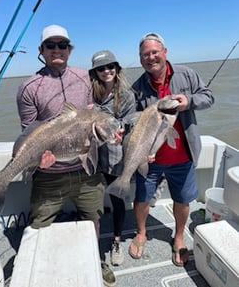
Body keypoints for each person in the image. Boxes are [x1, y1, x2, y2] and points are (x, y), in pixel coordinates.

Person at [16, 24, 118, 287]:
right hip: (49, 175)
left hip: (86, 170)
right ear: (41, 50)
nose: (57, 50)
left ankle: (94, 259)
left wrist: (113, 131)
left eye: (62, 45)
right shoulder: (29, 88)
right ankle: (42, 269)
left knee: (93, 219)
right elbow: (28, 133)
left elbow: (98, 106)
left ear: (70, 49)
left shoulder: (85, 77)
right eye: (51, 45)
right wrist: (38, 160)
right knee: (39, 224)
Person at [129, 32, 214, 266]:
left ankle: (178, 237)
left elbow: (208, 97)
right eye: (145, 54)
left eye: (155, 52)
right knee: (142, 198)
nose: (151, 57)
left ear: (165, 52)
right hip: (151, 157)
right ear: (140, 59)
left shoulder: (187, 74)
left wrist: (188, 101)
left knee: (183, 199)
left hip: (182, 156)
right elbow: (133, 123)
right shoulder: (137, 88)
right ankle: (141, 232)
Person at [89, 50, 136, 266]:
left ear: (117, 69)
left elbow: (130, 122)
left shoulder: (126, 95)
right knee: (92, 202)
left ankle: (116, 240)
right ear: (95, 72)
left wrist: (121, 131)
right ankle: (91, 243)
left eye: (111, 66)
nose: (107, 71)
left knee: (117, 202)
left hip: (117, 159)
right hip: (93, 157)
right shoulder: (90, 93)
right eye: (101, 68)